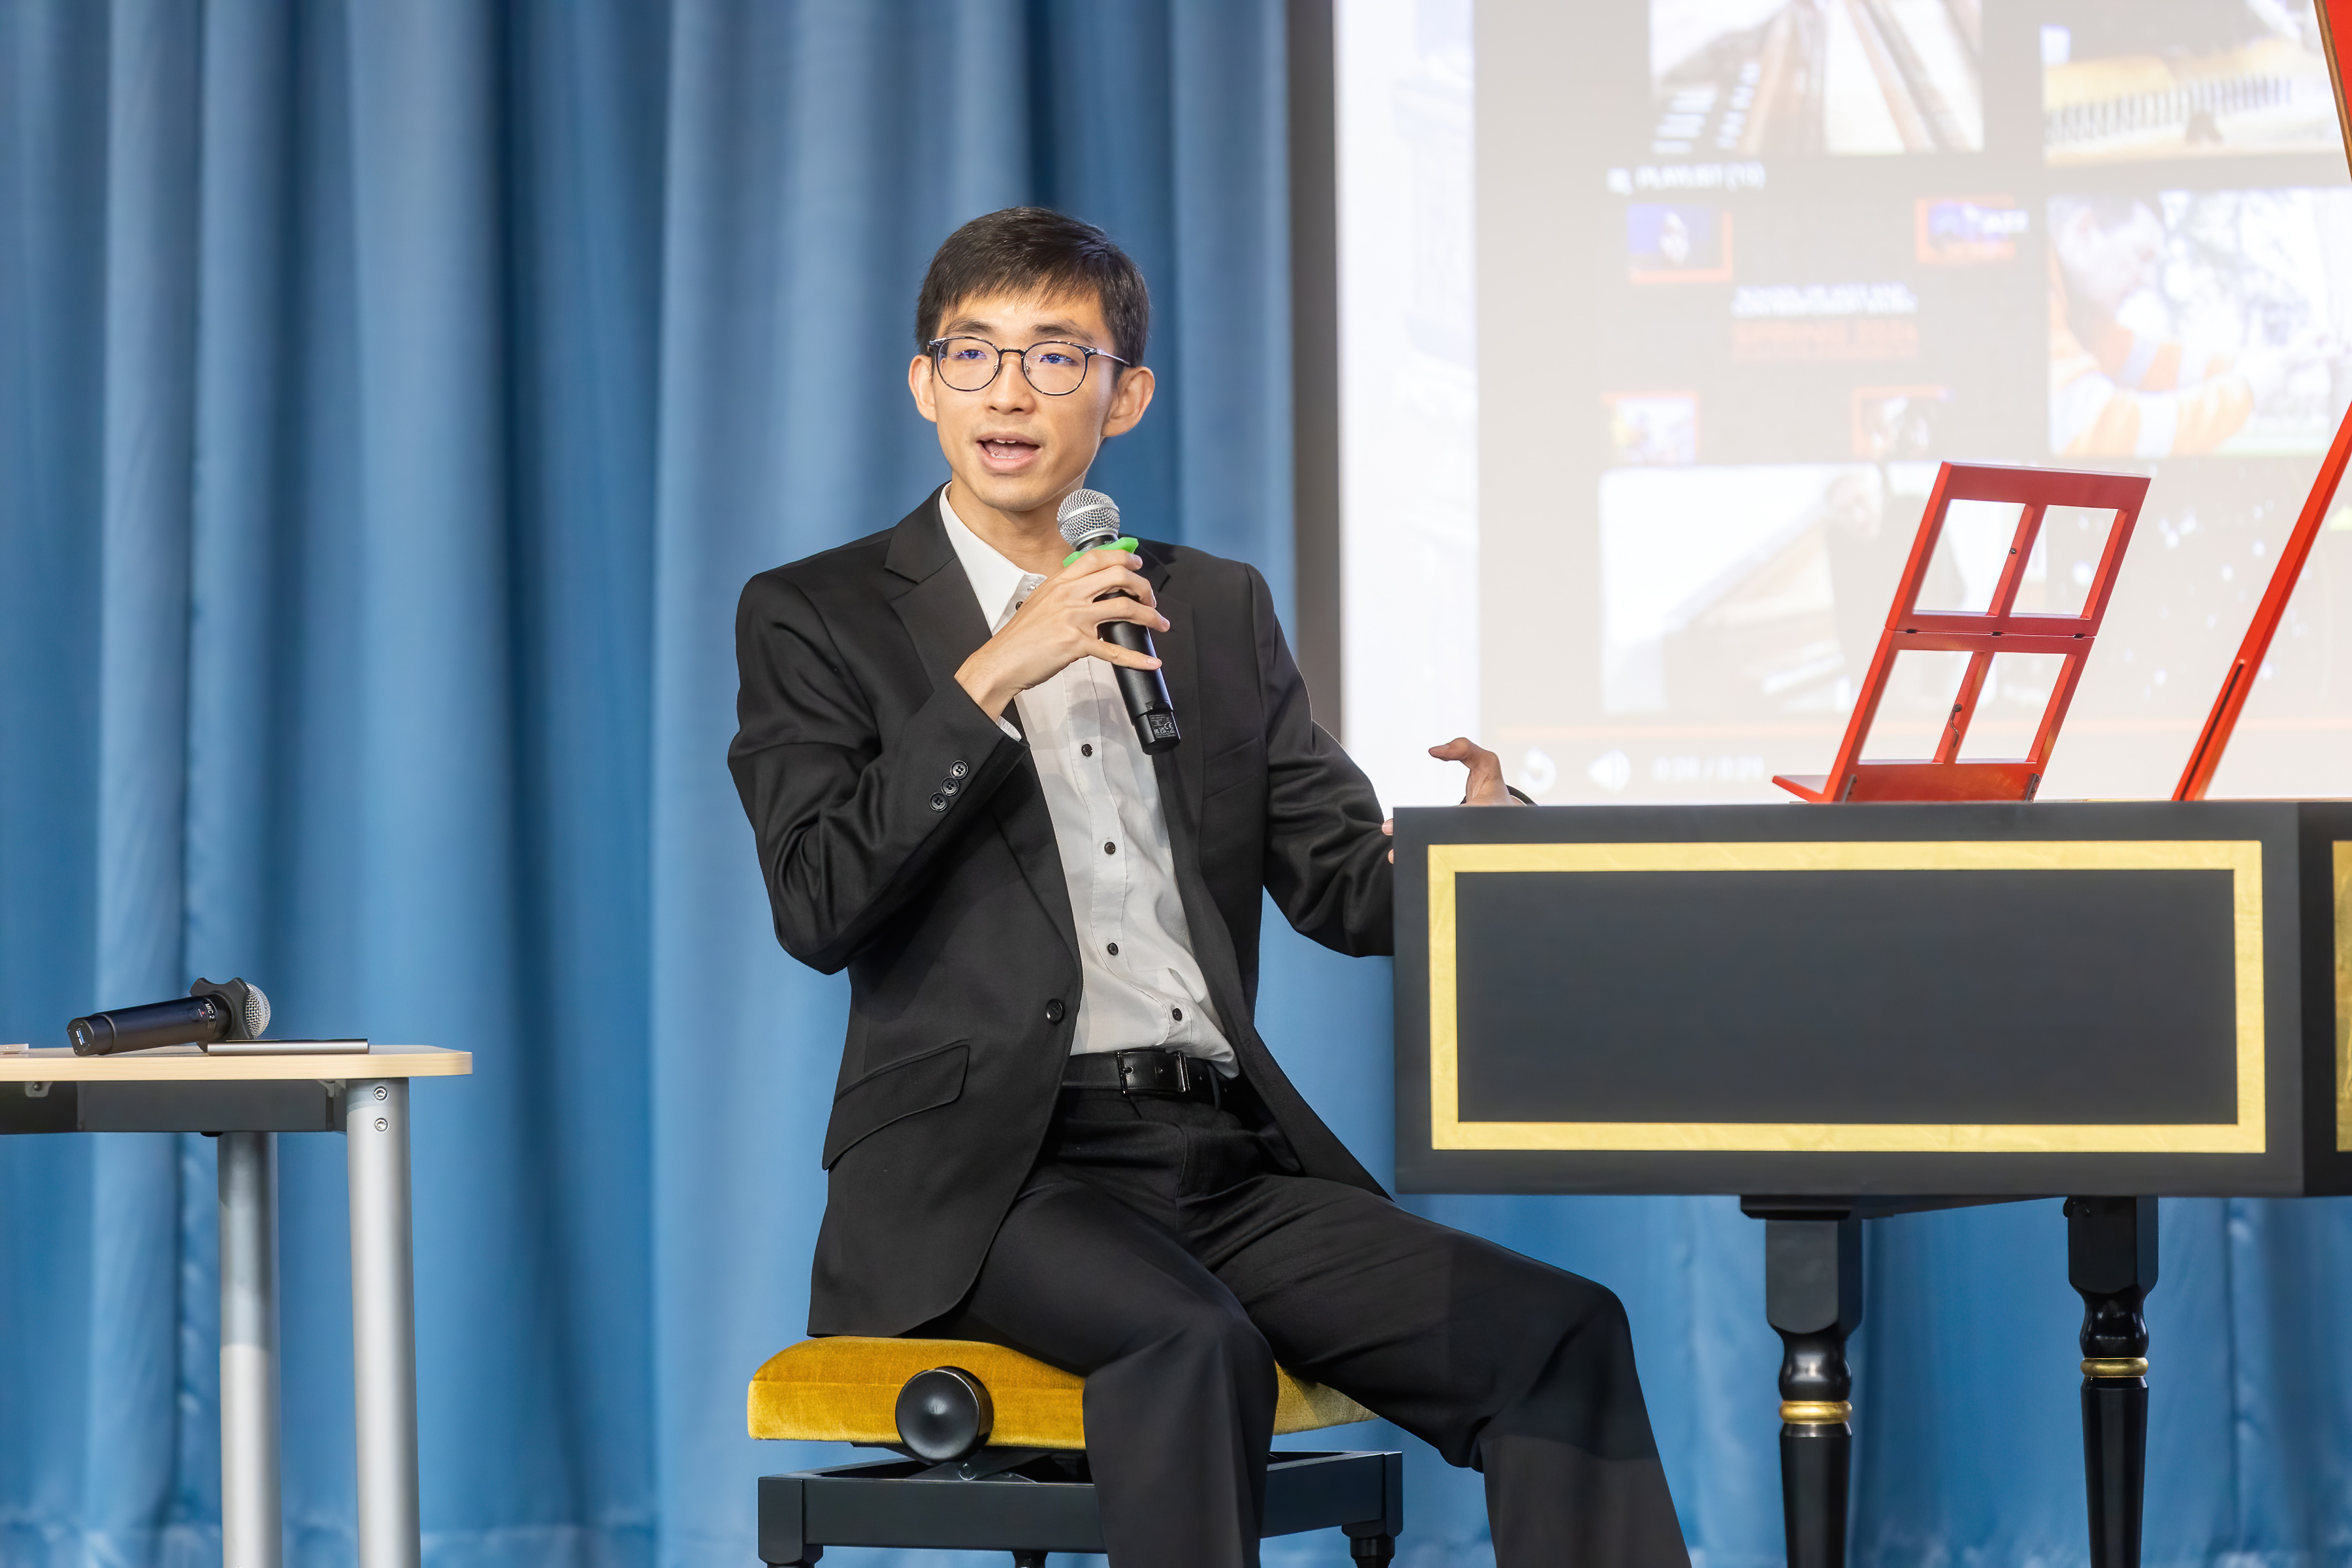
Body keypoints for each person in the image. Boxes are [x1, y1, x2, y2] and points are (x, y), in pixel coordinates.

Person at [728, 206, 1688, 1568]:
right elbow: (818, 901)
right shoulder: (817, 613)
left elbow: (1344, 885)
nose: (1010, 390)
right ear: (922, 383)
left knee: (1559, 1335)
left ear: (1127, 399)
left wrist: (1484, 853)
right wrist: (1000, 669)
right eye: (975, 353)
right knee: (1191, 1344)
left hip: (1217, 1155)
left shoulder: (1214, 606)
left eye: (1058, 358)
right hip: (993, 1181)